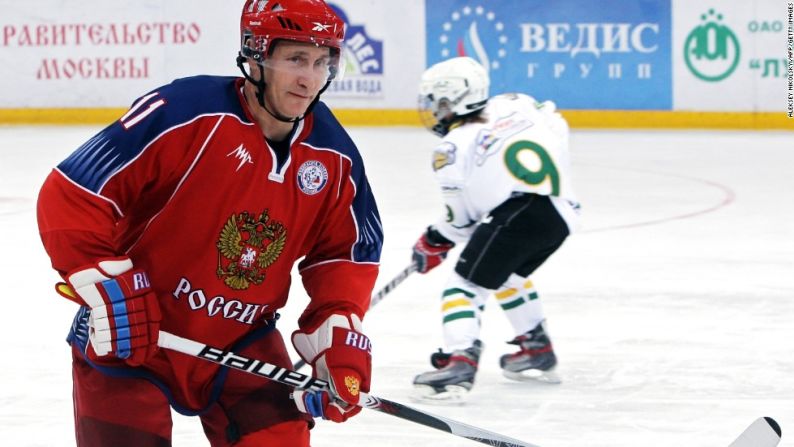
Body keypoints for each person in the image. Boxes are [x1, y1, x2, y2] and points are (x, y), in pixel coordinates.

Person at [36, 1, 383, 445]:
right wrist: (101, 281)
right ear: (255, 55)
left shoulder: (337, 158)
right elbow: (75, 193)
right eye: (295, 59)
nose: (309, 79)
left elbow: (346, 256)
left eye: (322, 62)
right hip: (134, 331)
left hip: (241, 340)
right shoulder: (182, 111)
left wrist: (337, 338)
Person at [410, 56, 580, 403]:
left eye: (439, 104)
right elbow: (556, 122)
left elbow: (461, 221)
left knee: (465, 284)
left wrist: (433, 240)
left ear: (454, 100)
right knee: (505, 274)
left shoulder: (450, 148)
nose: (436, 112)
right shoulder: (514, 105)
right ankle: (536, 347)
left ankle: (459, 361)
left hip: (520, 211)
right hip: (561, 211)